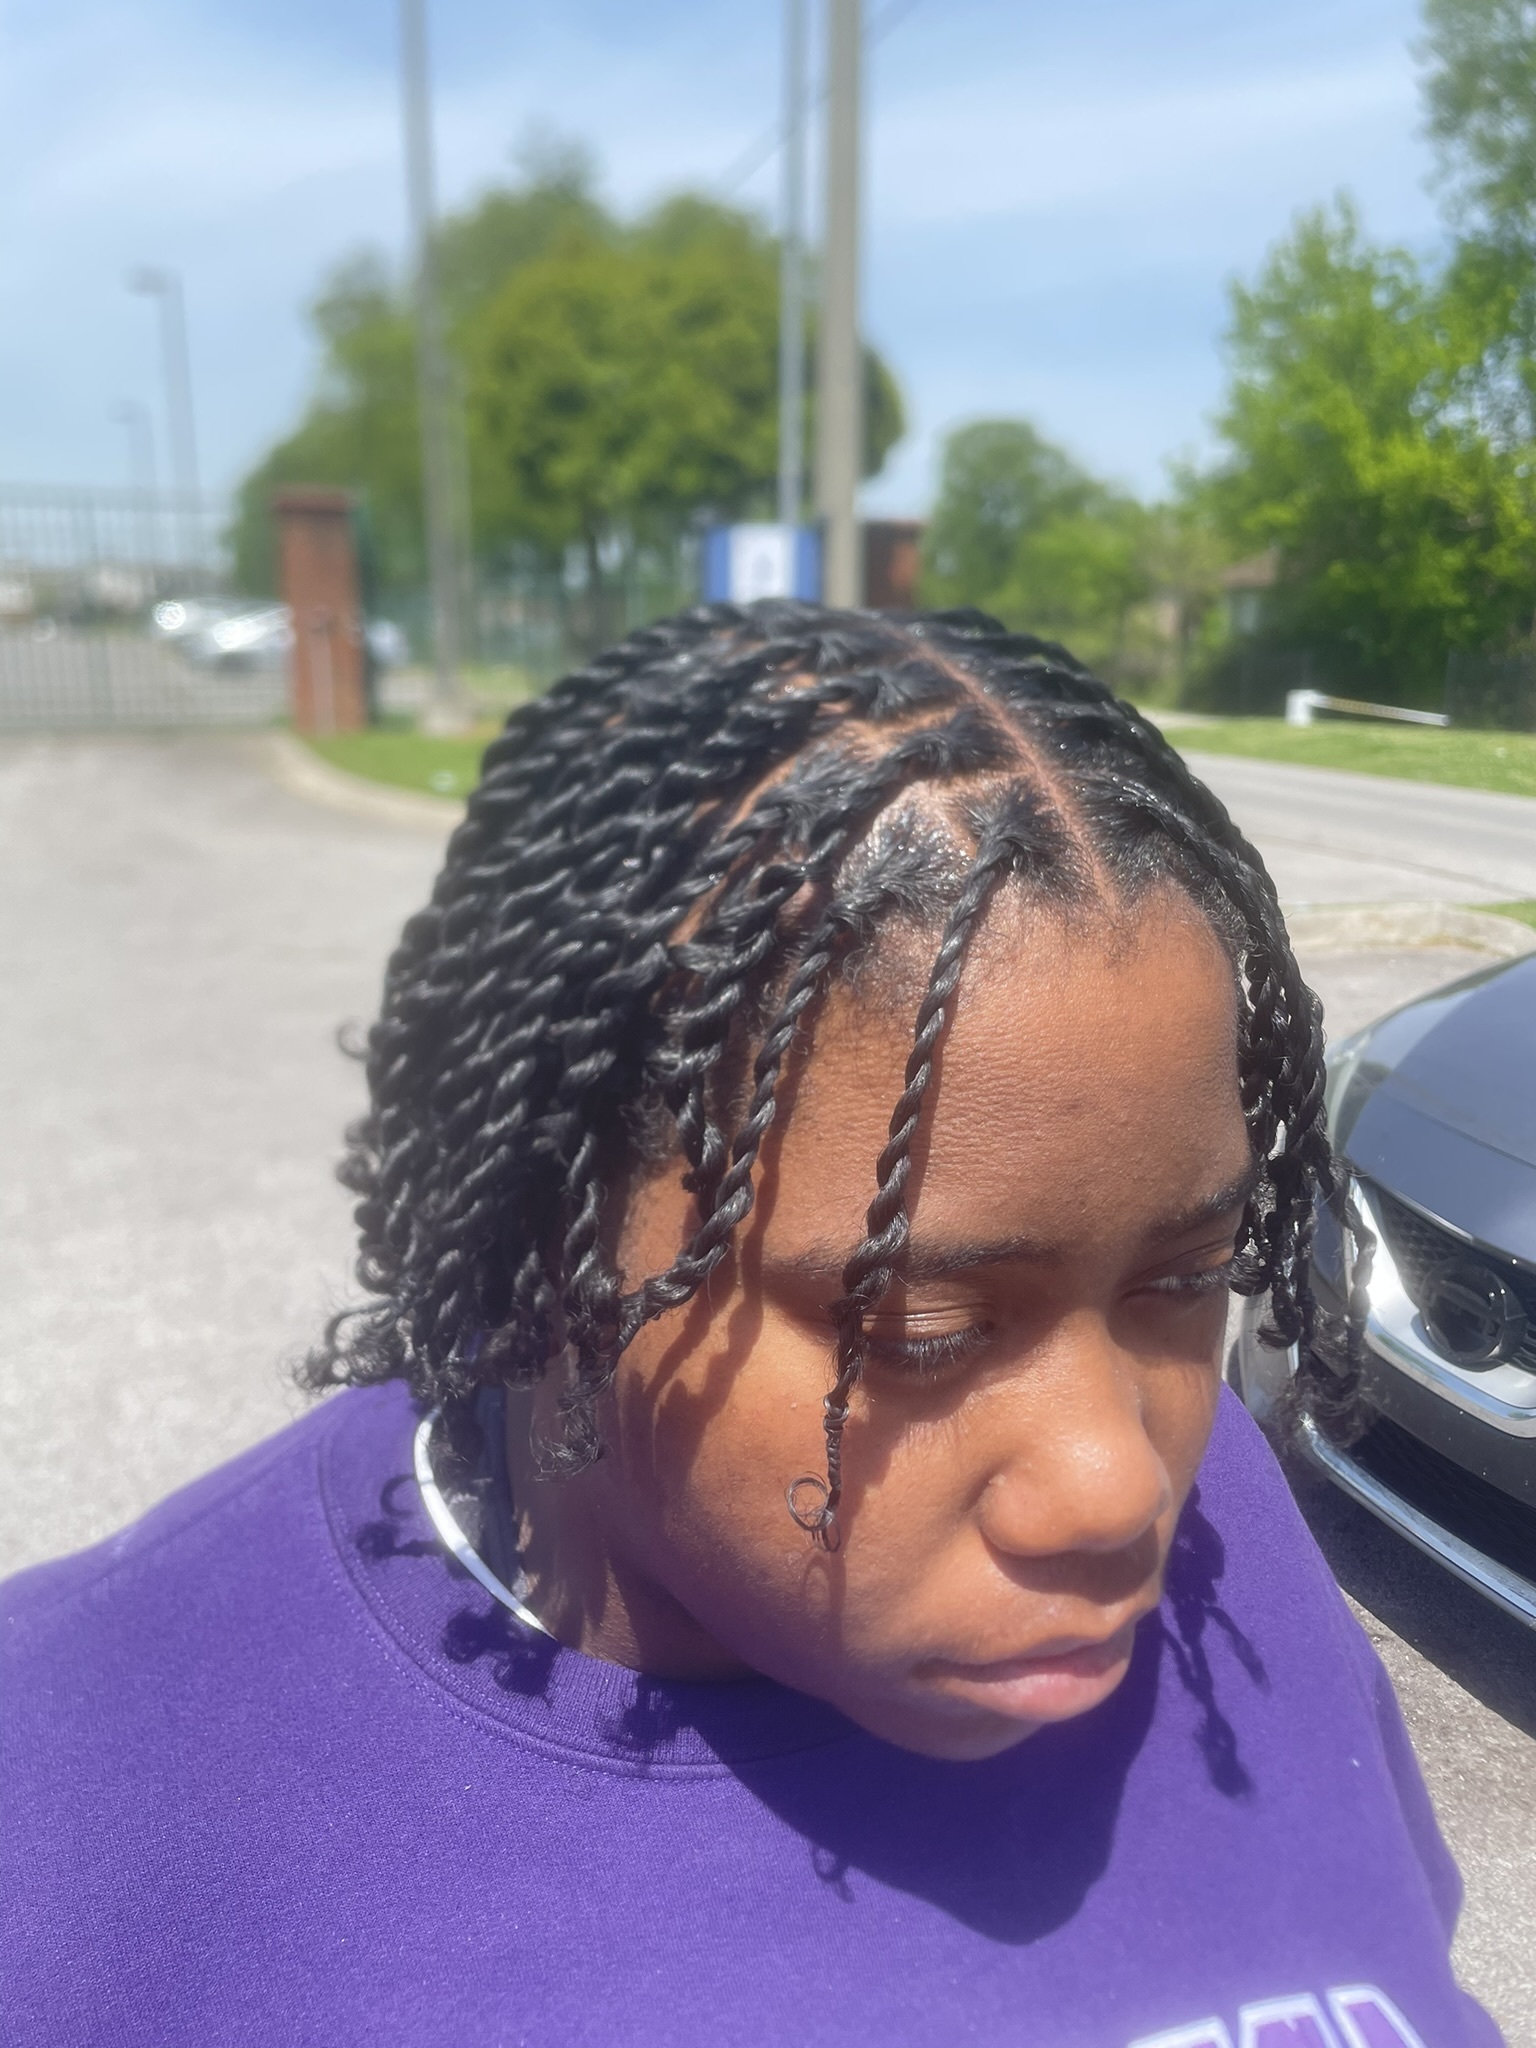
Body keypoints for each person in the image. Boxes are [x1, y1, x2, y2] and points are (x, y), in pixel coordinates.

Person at [0, 605, 1499, 2047]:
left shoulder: (1232, 1551)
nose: (1121, 1485)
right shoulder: (78, 1788)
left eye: (1182, 1280)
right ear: (555, 1251)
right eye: (923, 1329)